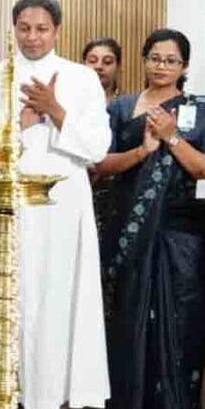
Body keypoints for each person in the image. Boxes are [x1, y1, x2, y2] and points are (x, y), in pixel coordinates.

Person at [0, 0, 111, 409]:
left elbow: (96, 148)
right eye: (24, 27)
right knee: (4, 303)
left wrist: (56, 110)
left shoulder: (81, 78)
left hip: (60, 212)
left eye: (42, 28)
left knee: (52, 307)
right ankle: (2, 406)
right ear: (12, 28)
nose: (32, 36)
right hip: (5, 210)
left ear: (57, 31)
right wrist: (24, 120)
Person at [95, 28, 205, 409]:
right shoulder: (119, 108)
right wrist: (142, 150)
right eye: (154, 57)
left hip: (180, 235)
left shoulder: (203, 113)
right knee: (128, 319)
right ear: (143, 59)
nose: (161, 66)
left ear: (184, 67)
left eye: (171, 60)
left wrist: (172, 137)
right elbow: (100, 166)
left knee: (177, 325)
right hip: (129, 231)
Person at [83, 37, 124, 318]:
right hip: (78, 195)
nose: (99, 68)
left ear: (118, 67)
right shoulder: (69, 107)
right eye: (92, 61)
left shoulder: (126, 108)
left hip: (115, 199)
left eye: (107, 62)